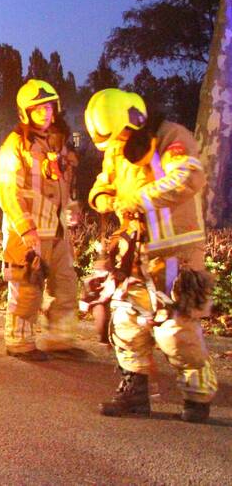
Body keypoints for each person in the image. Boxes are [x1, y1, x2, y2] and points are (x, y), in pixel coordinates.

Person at [84, 88, 217, 422]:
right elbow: (105, 182)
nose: (118, 144)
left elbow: (189, 176)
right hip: (134, 252)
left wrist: (141, 200)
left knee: (175, 331)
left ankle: (198, 396)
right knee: (126, 321)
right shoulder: (116, 147)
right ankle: (135, 393)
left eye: (121, 135)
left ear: (136, 118)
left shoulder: (173, 136)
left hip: (177, 254)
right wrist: (101, 196)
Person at [0, 79, 80, 361]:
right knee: (28, 289)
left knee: (66, 286)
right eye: (38, 109)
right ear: (25, 113)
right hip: (29, 234)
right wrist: (25, 228)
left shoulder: (59, 146)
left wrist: (73, 208)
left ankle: (59, 341)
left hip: (57, 233)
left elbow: (65, 187)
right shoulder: (15, 146)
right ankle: (19, 343)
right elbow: (8, 192)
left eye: (48, 107)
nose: (45, 113)